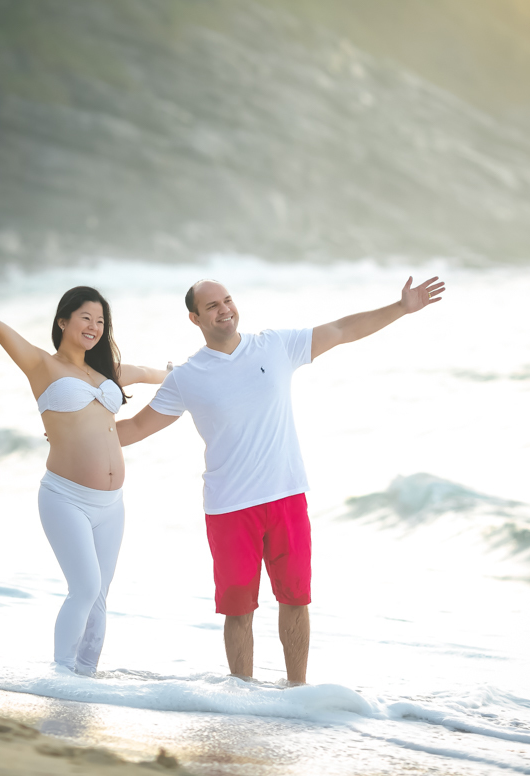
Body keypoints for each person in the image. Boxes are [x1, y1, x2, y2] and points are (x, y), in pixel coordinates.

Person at [116, 275, 445, 685]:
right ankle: (241, 695)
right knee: (238, 610)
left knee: (295, 599)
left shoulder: (274, 345)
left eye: (228, 300)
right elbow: (136, 428)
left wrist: (399, 309)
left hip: (286, 496)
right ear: (194, 317)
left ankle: (297, 693)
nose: (225, 310)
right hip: (228, 508)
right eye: (213, 306)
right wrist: (73, 434)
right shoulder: (187, 377)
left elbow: (342, 330)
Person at [0, 268, 170, 675]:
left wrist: (180, 375)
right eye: (86, 317)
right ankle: (62, 674)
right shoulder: (41, 365)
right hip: (65, 498)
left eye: (101, 322)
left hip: (111, 505)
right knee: (83, 589)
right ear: (63, 321)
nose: (94, 327)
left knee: (100, 596)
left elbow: (157, 375)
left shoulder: (108, 373)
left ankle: (86, 678)